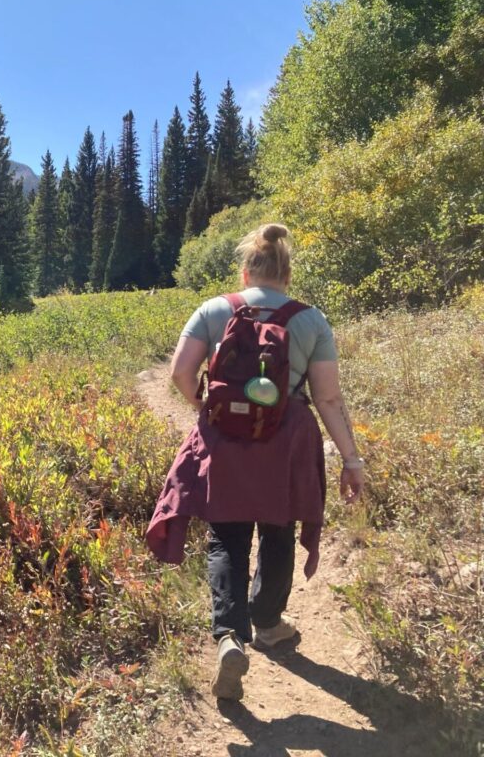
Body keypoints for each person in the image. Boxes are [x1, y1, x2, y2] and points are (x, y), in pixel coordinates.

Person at [145, 223, 365, 701]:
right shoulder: (311, 320)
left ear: (246, 271)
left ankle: (228, 635)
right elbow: (328, 399)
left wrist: (206, 408)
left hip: (225, 435)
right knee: (279, 529)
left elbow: (181, 373)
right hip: (287, 439)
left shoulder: (214, 309)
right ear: (287, 275)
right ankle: (267, 622)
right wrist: (352, 459)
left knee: (226, 534)